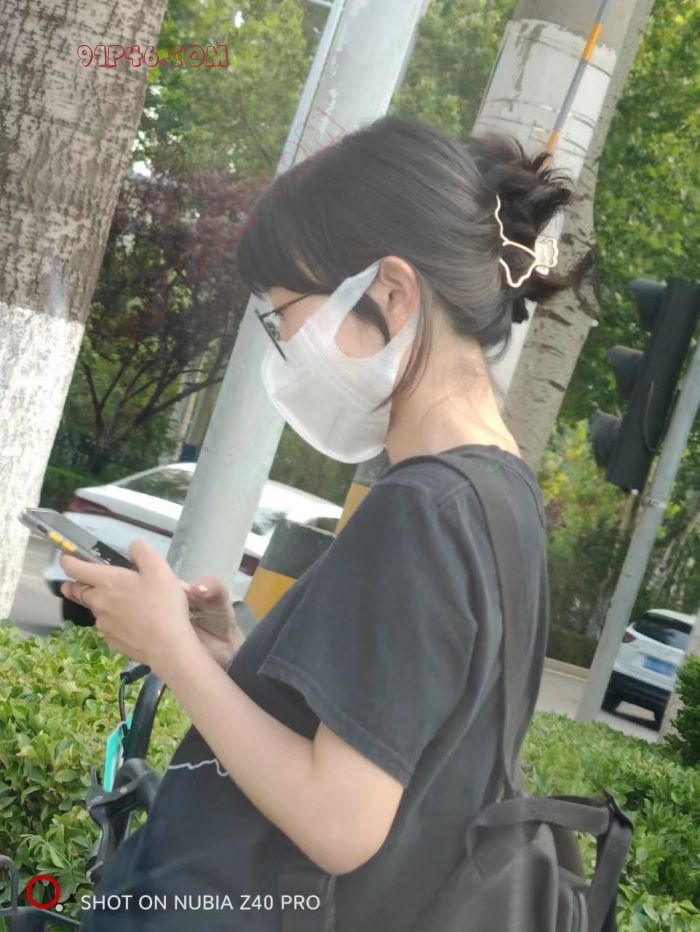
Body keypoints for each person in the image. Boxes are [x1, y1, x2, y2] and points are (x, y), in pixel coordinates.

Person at [73, 114, 586, 931]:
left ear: (390, 293)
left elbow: (340, 822)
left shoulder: (423, 508)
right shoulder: (500, 493)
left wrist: (170, 649)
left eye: (284, 314)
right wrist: (237, 661)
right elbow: (402, 746)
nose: (282, 344)